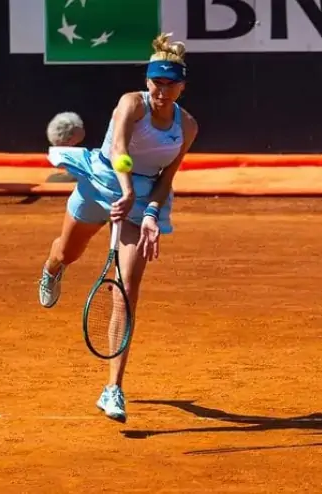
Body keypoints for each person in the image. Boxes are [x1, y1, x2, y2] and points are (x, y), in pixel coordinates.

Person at [39, 32, 199, 423]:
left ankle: (113, 388)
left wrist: (149, 212)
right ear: (148, 82)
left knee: (127, 289)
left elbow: (167, 177)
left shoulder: (188, 127)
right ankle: (52, 270)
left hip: (140, 200)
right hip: (101, 183)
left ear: (182, 86)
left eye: (170, 84)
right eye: (156, 83)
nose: (162, 91)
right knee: (67, 251)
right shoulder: (131, 104)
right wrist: (125, 190)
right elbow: (119, 150)